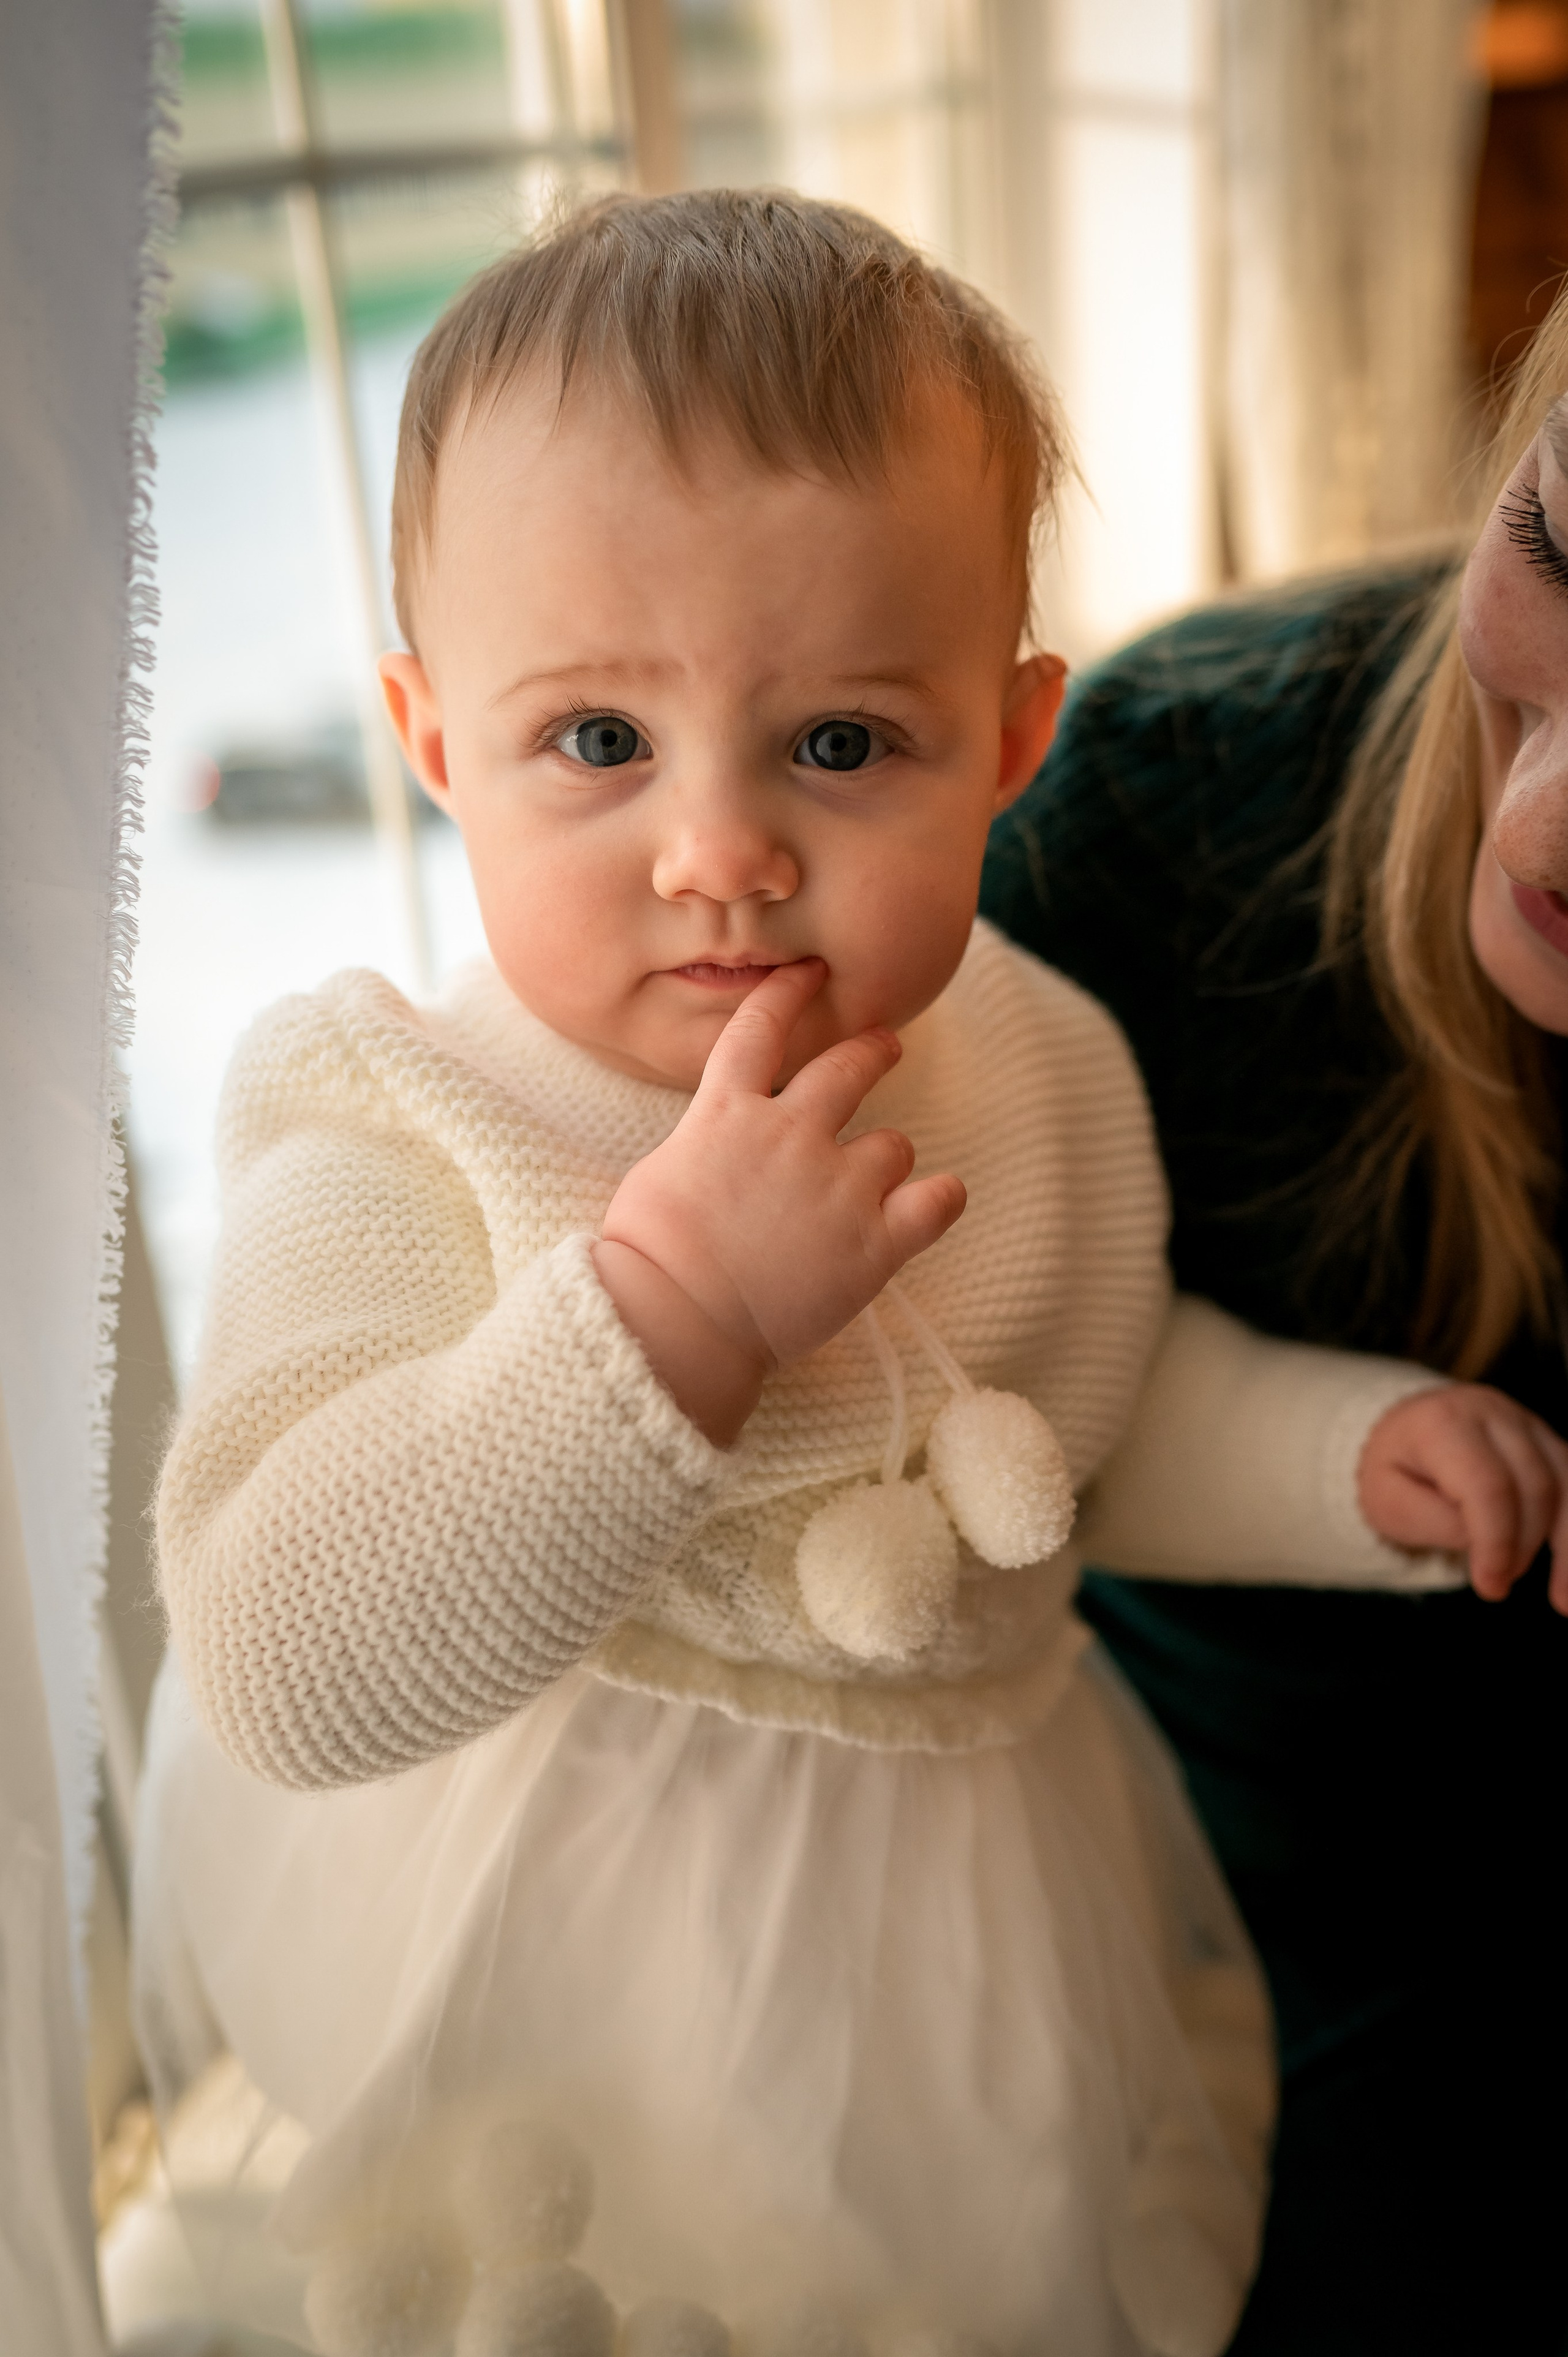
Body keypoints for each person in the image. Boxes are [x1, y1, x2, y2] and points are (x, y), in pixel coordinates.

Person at [135, 194, 1568, 2357]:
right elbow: (276, 1648)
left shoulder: (1039, 1059)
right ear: (433, 746)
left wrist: (1346, 1457)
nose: (722, 850)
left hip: (955, 1976)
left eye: (839, 744)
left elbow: (1083, 1410)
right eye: (598, 743)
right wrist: (665, 1314)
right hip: (559, 1987)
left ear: (1007, 743)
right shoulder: (398, 1118)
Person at [981, 285, 1568, 2355]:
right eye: (1556, 546)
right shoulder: (1145, 836)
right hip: (1275, 1912)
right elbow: (988, 1438)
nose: (1542, 825)